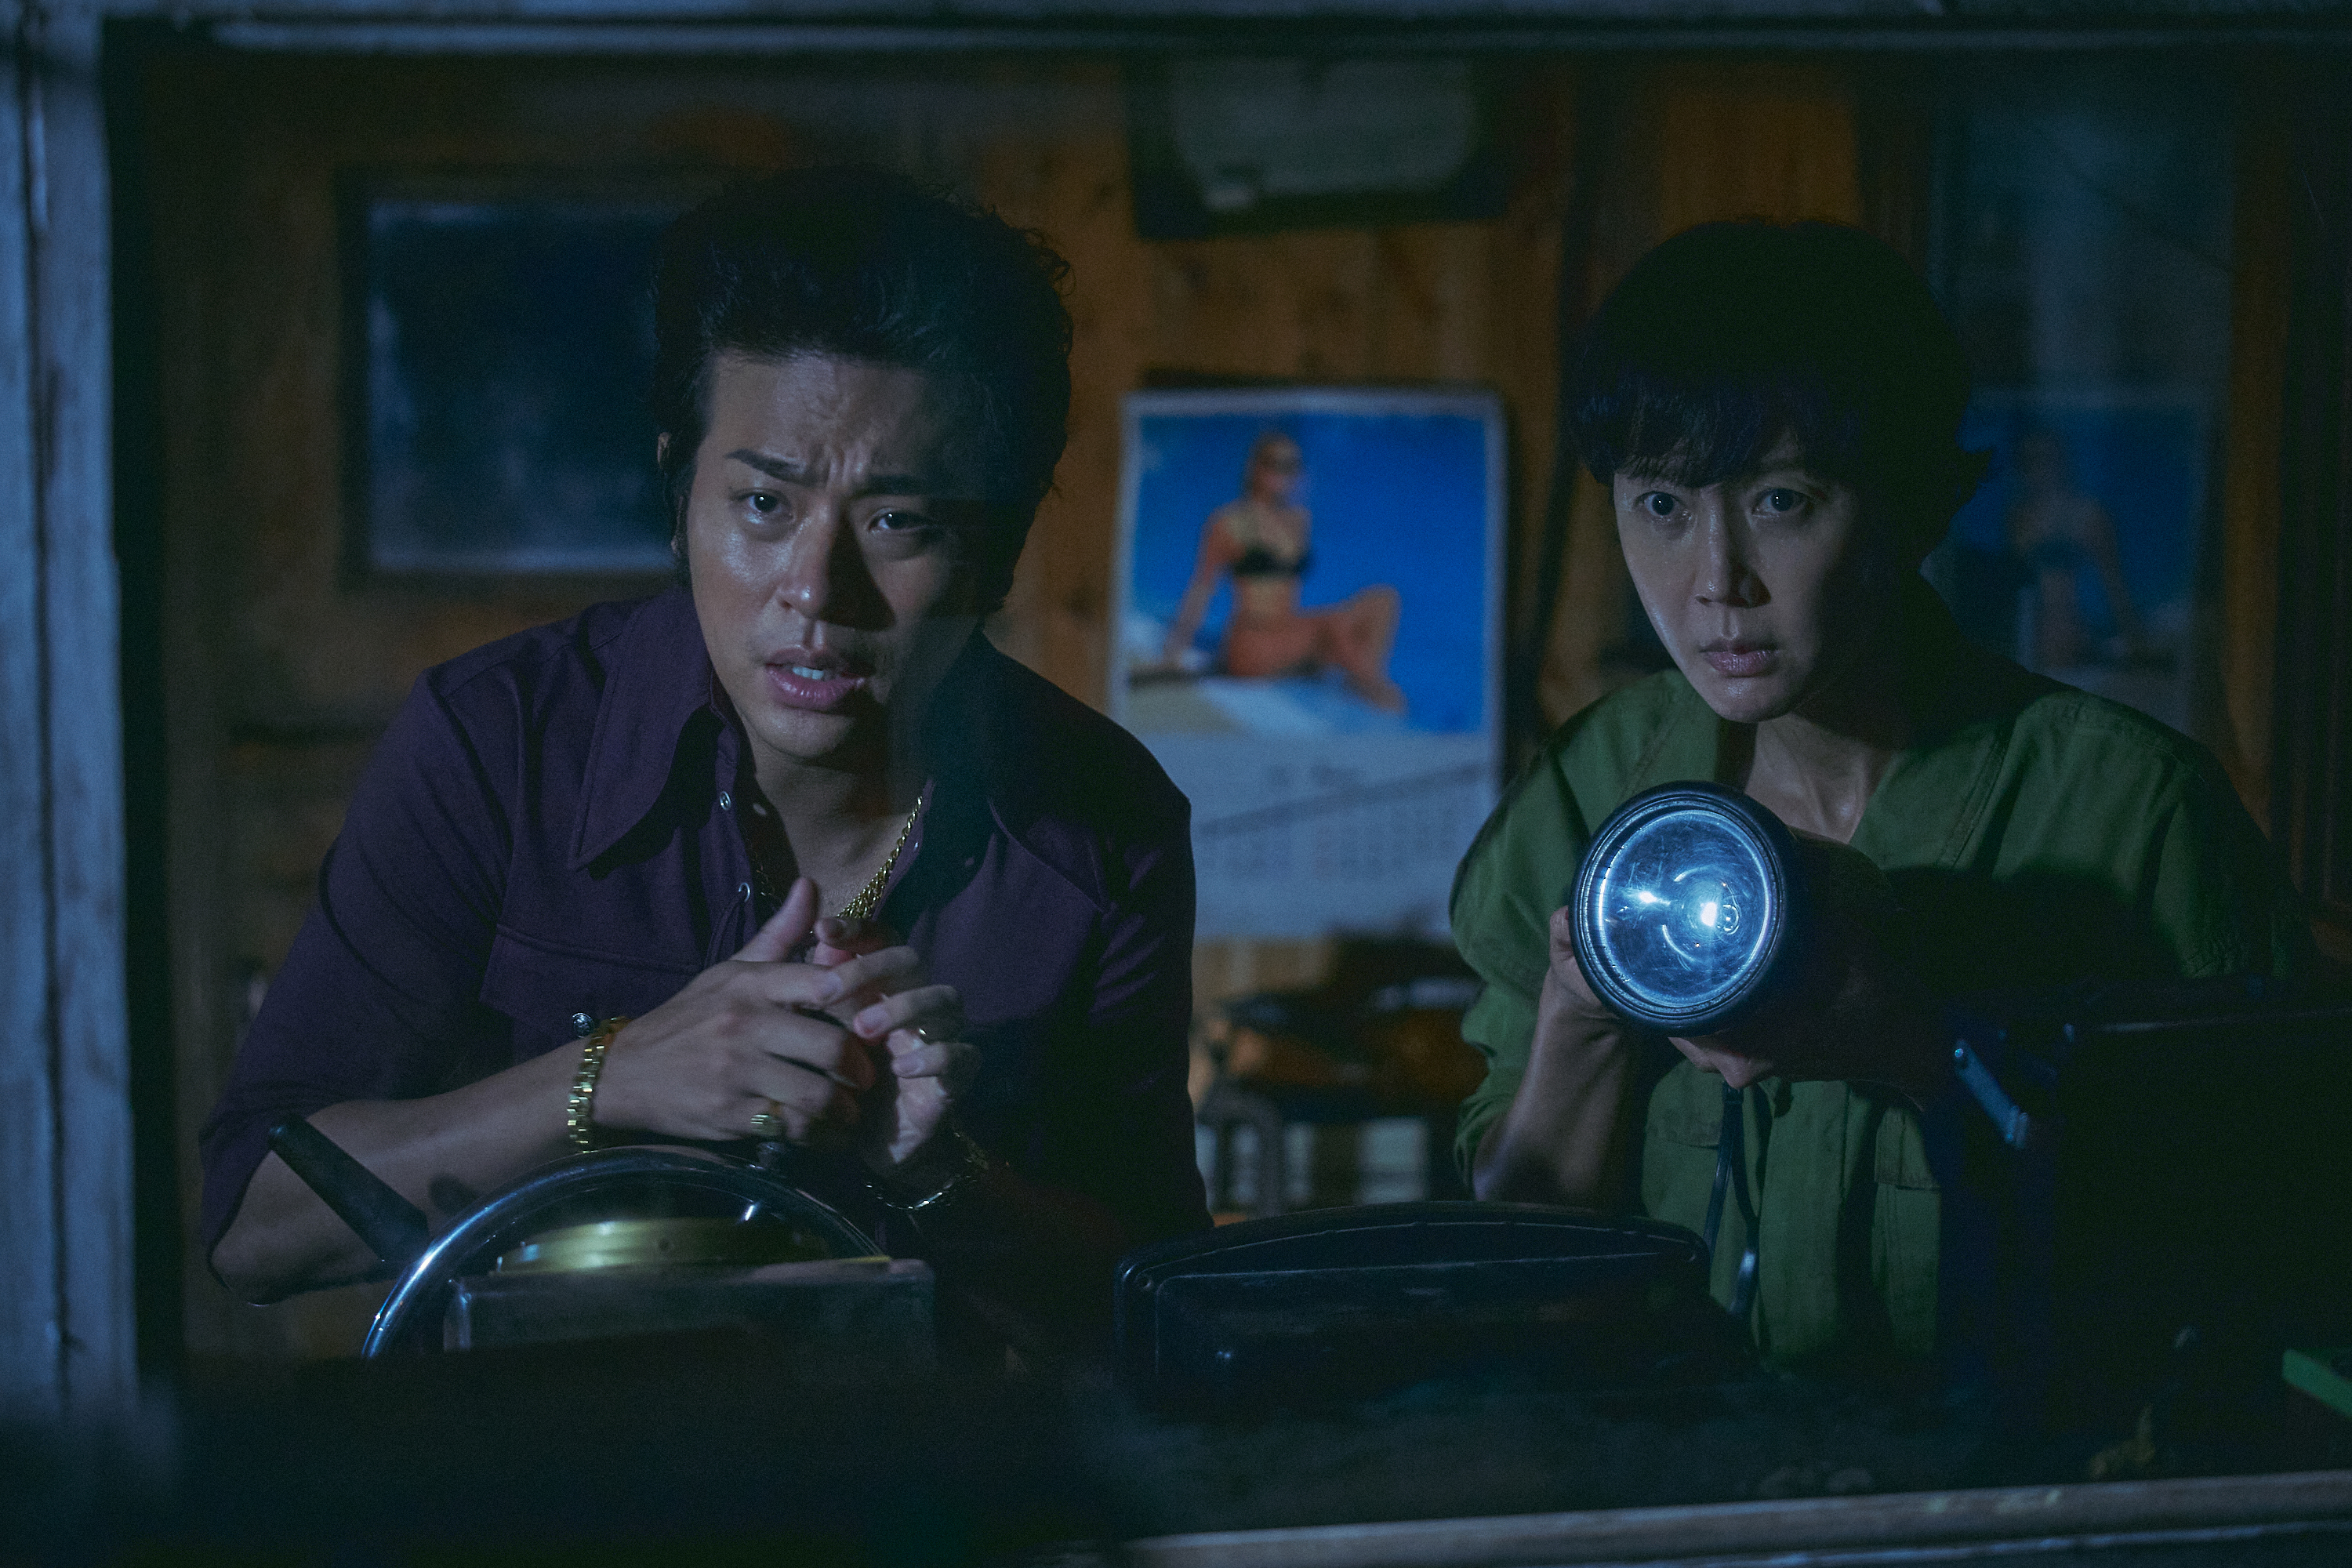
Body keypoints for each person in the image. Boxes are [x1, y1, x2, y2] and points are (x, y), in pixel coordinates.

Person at [201, 167, 1210, 1344]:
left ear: (998, 550)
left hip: (915, 1452)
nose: (816, 592)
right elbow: (253, 1227)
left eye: (899, 521)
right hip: (522, 1443)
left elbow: (1156, 1304)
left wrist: (941, 1172)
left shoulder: (1101, 821)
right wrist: (611, 1077)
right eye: (765, 505)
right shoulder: (498, 742)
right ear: (681, 490)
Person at [1450, 221, 2307, 1372]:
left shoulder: (2134, 815)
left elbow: (2260, 1252)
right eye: (1662, 505)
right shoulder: (1593, 796)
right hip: (1671, 1465)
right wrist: (1582, 1012)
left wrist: (1923, 1048)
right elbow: (1514, 1276)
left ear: (1916, 505)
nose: (1717, 583)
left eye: (1782, 500)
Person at [1159, 430, 1406, 713]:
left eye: (1291, 467)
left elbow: (1289, 589)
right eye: (1274, 464)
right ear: (1254, 467)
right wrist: (1174, 650)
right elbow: (1202, 588)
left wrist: (1301, 491)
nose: (1281, 473)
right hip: (1252, 644)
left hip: (1288, 635)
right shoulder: (1229, 522)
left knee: (1383, 601)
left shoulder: (1298, 521)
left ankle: (1362, 681)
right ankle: (1375, 690)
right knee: (1332, 627)